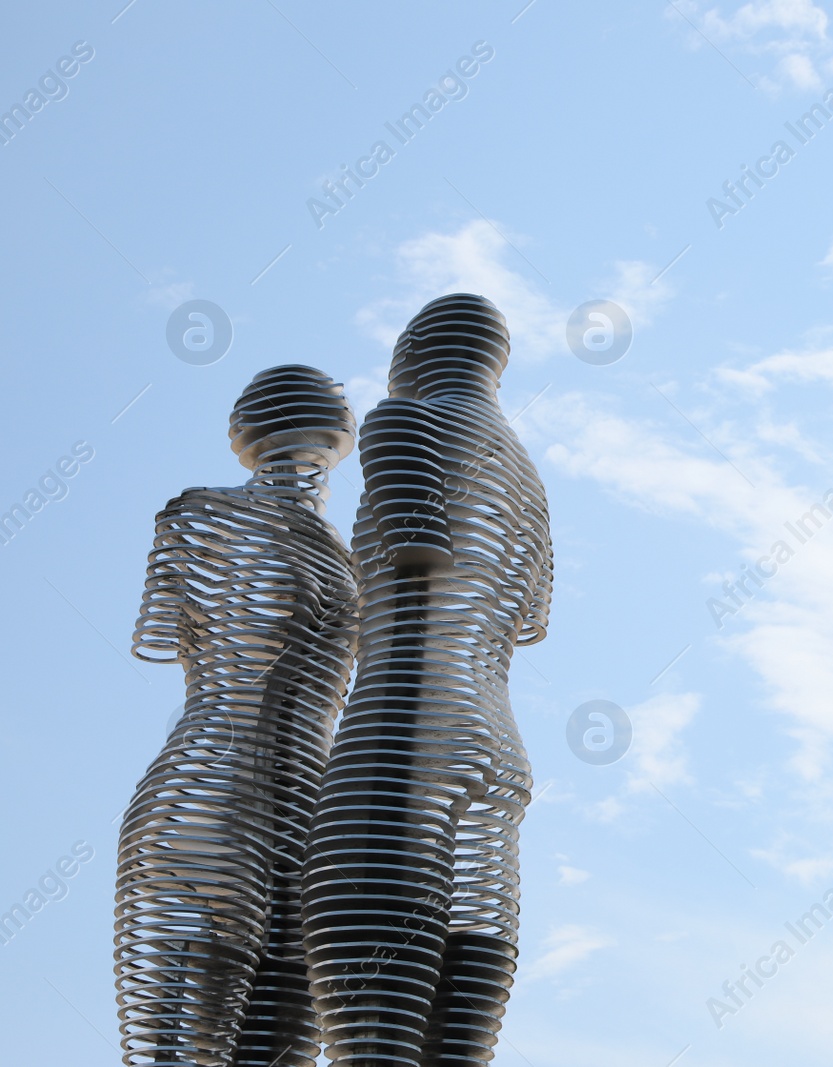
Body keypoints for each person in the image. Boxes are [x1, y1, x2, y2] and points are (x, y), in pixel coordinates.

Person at [303, 294, 553, 1066]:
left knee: (372, 1016)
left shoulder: (404, 420)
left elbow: (416, 553)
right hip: (497, 740)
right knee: (460, 1004)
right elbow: (534, 618)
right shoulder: (528, 474)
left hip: (405, 716)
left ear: (415, 349)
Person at [117, 366, 360, 1067]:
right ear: (245, 438)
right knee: (184, 1038)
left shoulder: (349, 559)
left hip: (308, 811)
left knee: (282, 1040)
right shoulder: (198, 515)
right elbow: (169, 640)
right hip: (208, 790)